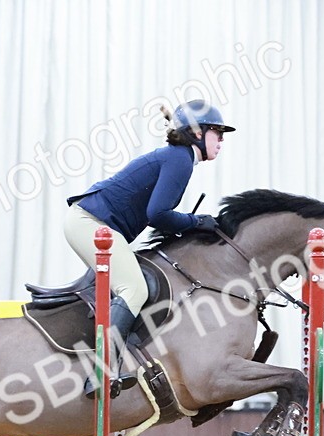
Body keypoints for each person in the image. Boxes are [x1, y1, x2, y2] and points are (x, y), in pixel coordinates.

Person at [65, 99, 235, 396]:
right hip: (89, 223)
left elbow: (159, 216)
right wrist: (196, 222)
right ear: (197, 133)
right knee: (136, 289)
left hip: (92, 223)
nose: (221, 140)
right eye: (216, 132)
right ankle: (101, 374)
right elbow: (157, 215)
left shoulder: (179, 157)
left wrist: (192, 223)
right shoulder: (180, 159)